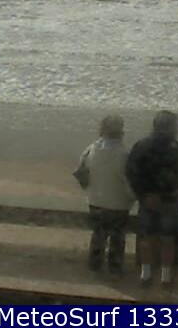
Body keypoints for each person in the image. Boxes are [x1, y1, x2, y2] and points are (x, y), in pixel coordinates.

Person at [126, 110, 178, 286]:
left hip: (147, 200)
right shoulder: (177, 148)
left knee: (147, 237)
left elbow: (132, 173)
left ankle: (146, 274)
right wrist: (168, 192)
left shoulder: (141, 146)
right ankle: (165, 276)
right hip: (170, 200)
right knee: (168, 239)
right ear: (171, 127)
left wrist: (144, 195)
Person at [73, 115, 135, 274]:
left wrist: (90, 190)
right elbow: (129, 180)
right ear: (121, 132)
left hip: (95, 201)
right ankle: (114, 268)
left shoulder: (90, 150)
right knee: (117, 237)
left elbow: (80, 172)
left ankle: (95, 265)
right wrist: (132, 197)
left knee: (98, 235)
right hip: (118, 204)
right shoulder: (124, 154)